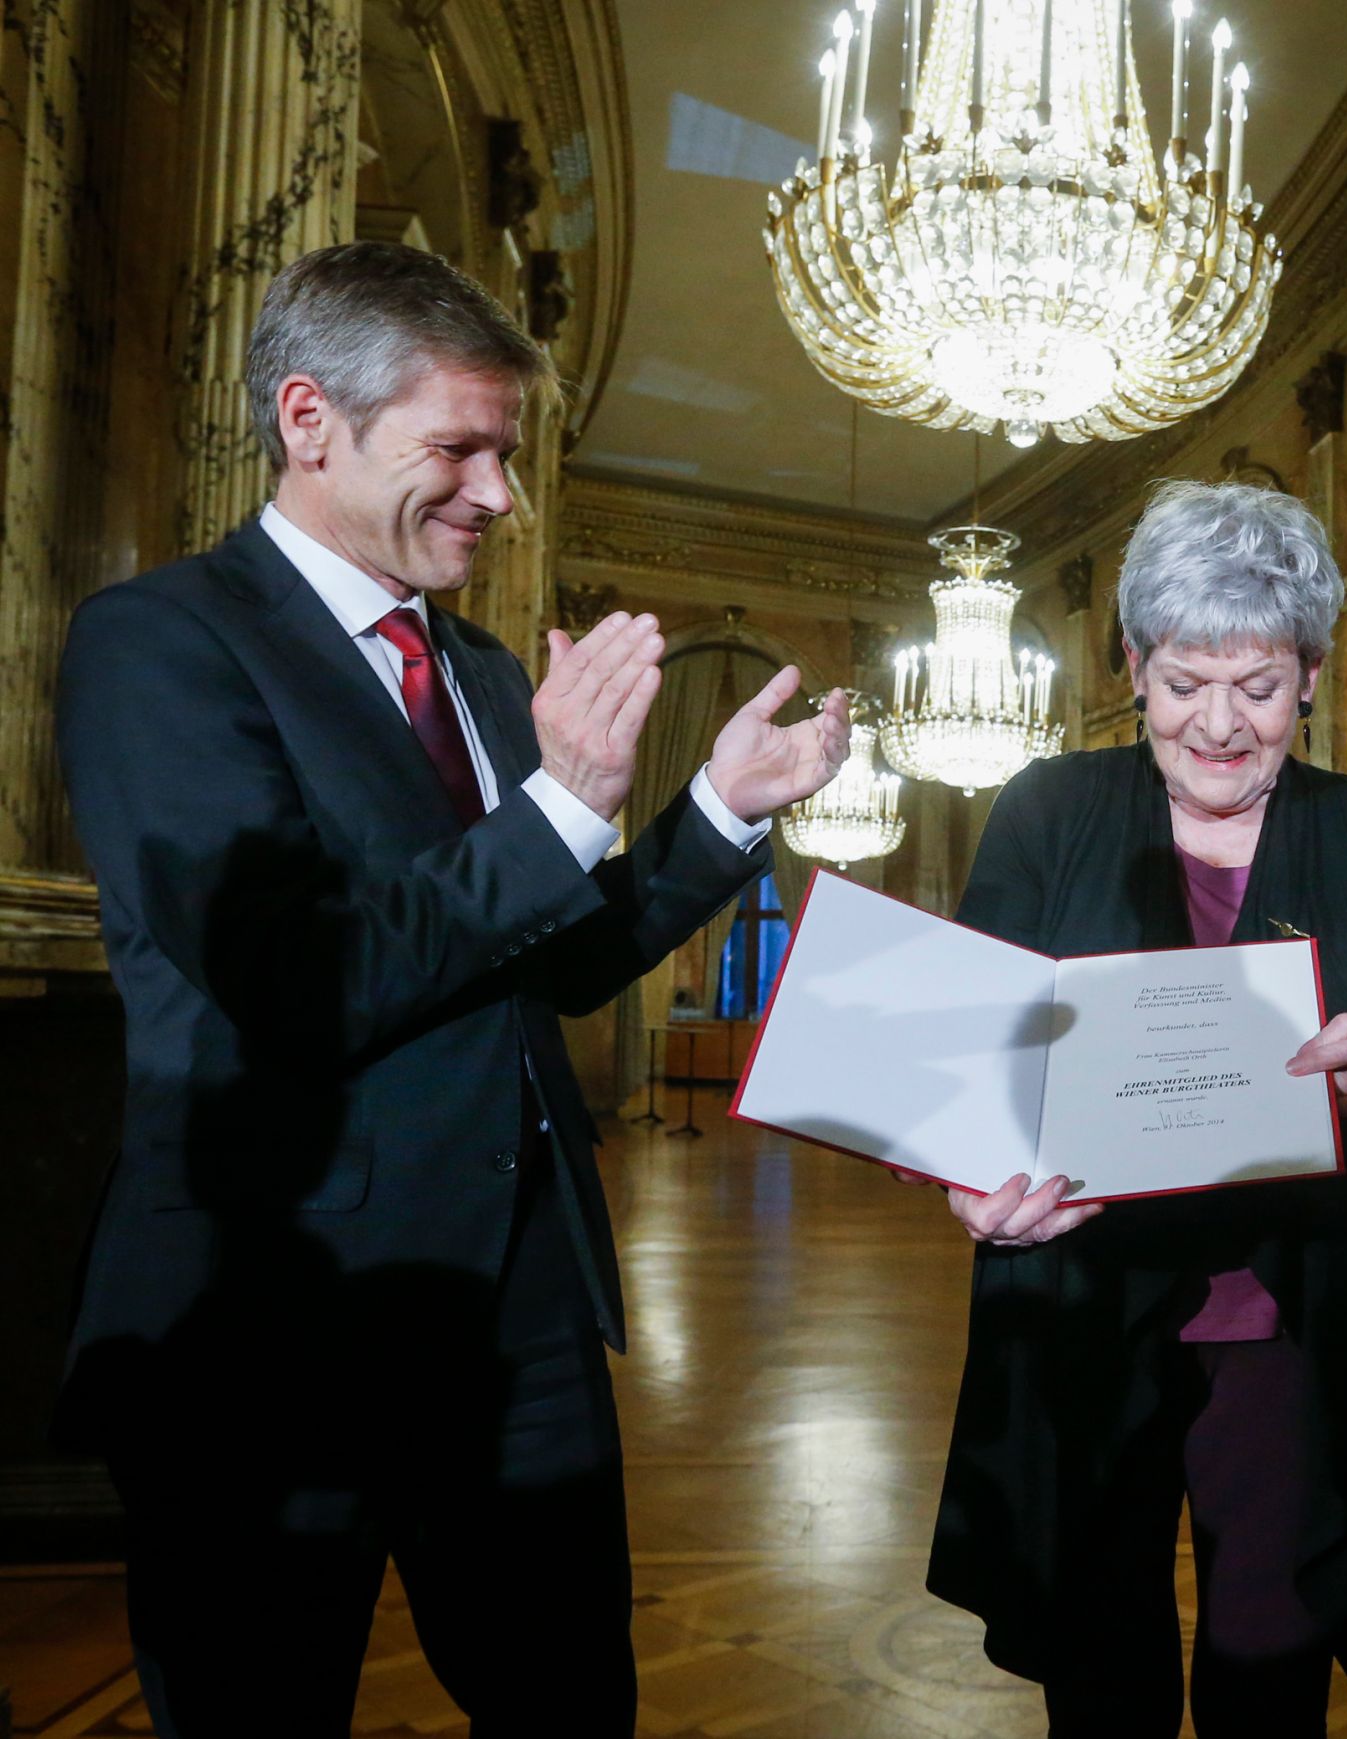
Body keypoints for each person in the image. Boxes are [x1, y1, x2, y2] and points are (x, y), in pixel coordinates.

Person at [53, 241, 849, 1737]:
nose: (500, 493)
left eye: (510, 452)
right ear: (310, 419)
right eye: (461, 448)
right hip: (276, 1329)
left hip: (524, 1314)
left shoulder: (481, 668)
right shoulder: (160, 643)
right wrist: (564, 803)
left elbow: (555, 957)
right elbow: (299, 976)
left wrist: (720, 810)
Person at [919, 480, 1347, 1738]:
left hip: (1293, 1318)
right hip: (1078, 1299)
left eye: (1257, 686)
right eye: (1181, 682)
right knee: (1096, 1662)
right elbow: (966, 1059)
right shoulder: (1049, 807)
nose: (1217, 725)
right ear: (1131, 666)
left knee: (1267, 1658)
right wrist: (966, 1174)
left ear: (1314, 675)